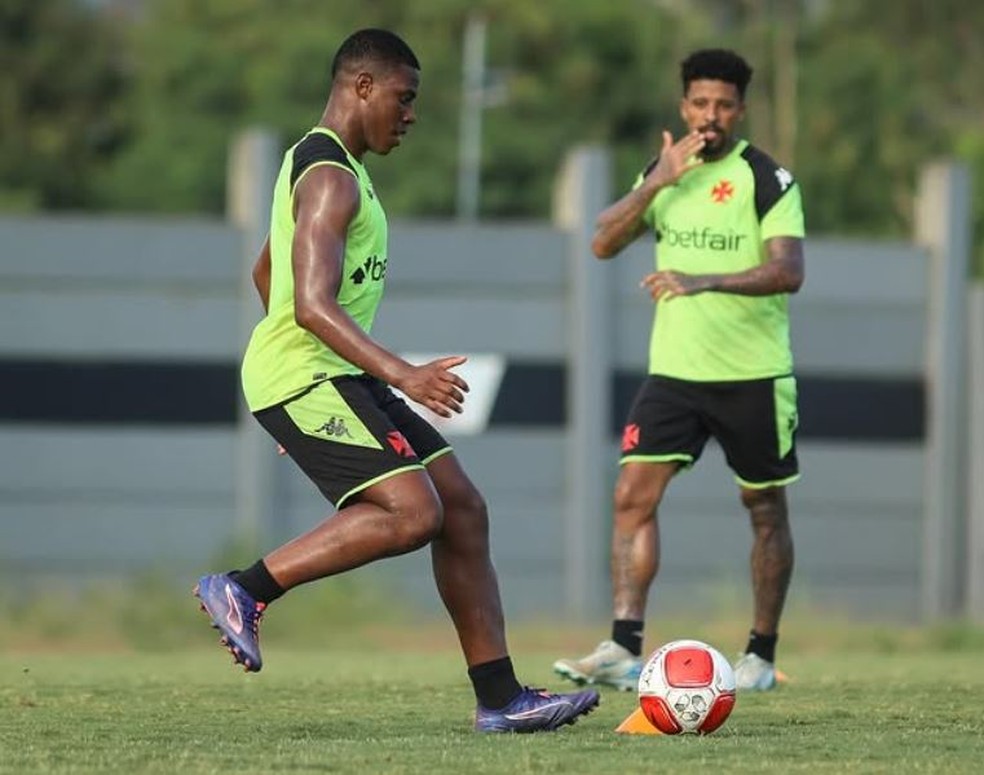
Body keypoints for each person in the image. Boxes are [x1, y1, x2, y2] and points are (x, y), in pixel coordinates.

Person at [194, 28, 599, 733]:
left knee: (461, 508)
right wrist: (384, 376)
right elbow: (311, 304)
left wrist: (301, 400)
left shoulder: (330, 166)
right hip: (316, 375)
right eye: (404, 98)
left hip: (329, 377)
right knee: (415, 514)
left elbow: (267, 269)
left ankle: (501, 699)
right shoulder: (330, 176)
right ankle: (244, 589)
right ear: (362, 86)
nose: (411, 115)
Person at [553, 48, 805, 693]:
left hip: (753, 373)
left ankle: (760, 657)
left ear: (740, 110)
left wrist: (702, 279)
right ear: (683, 106)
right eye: (700, 103)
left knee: (764, 508)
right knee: (631, 496)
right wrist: (656, 182)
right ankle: (621, 647)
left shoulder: (767, 179)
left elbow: (788, 270)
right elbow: (602, 241)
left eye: (723, 104)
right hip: (674, 373)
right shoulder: (664, 173)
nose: (710, 115)